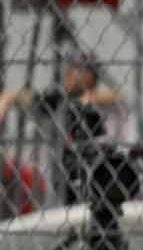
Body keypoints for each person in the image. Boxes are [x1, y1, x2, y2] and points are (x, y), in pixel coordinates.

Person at [0, 50, 120, 206]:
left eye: (76, 69)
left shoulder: (102, 103)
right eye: (70, 68)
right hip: (65, 174)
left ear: (90, 76)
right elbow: (29, 97)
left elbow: (116, 96)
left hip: (98, 170)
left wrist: (90, 98)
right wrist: (6, 98)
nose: (69, 73)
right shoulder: (60, 98)